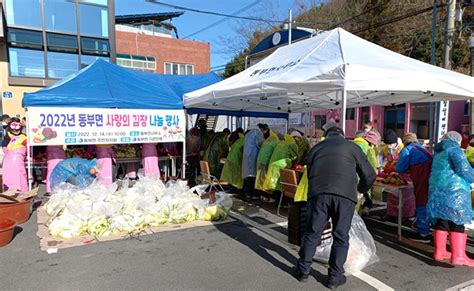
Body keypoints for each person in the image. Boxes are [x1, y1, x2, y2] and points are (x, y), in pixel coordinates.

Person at [296, 127, 376, 288]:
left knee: (312, 233)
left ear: (326, 136)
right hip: (345, 196)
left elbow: (305, 163)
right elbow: (370, 174)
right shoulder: (353, 147)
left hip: (319, 195)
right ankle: (334, 277)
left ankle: (303, 271)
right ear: (343, 136)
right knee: (340, 236)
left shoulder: (318, 147)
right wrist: (360, 190)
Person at [428, 131, 474, 266]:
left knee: (441, 220)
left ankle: (440, 251)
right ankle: (458, 256)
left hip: (437, 190)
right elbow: (464, 169)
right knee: (457, 221)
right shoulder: (454, 150)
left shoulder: (439, 151)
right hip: (454, 191)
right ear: (457, 140)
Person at [396, 133, 432, 243]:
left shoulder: (407, 149)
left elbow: (400, 168)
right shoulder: (423, 148)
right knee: (428, 202)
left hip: (421, 177)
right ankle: (427, 225)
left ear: (405, 141)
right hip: (431, 177)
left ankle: (423, 233)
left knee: (421, 202)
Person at [353, 130, 379, 214]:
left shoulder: (353, 144)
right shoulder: (368, 149)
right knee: (356, 205)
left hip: (347, 178)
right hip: (359, 180)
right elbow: (372, 167)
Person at [2, 119, 28, 192]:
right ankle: (8, 191)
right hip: (8, 160)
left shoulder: (24, 137)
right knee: (8, 176)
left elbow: (28, 148)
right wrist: (5, 148)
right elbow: (4, 143)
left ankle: (22, 191)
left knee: (20, 175)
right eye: (13, 130)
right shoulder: (8, 135)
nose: (15, 131)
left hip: (18, 160)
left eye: (17, 130)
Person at [242, 128, 265, 200]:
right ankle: (254, 194)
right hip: (253, 156)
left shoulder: (248, 134)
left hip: (247, 156)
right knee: (254, 176)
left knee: (249, 176)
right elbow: (261, 143)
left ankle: (248, 193)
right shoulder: (257, 132)